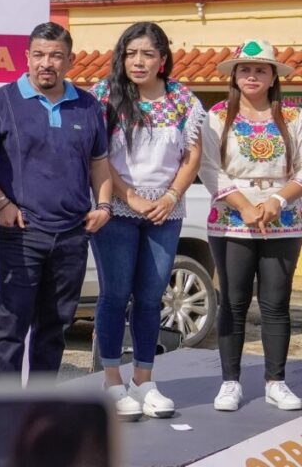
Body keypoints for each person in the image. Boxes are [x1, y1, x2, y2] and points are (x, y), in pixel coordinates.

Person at [0, 21, 112, 377]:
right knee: (9, 327)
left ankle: (40, 409)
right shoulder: (1, 102)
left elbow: (99, 162)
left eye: (55, 56)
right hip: (20, 233)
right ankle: (0, 412)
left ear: (69, 60)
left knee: (55, 327)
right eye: (38, 55)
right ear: (27, 57)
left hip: (72, 234)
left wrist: (103, 205)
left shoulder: (87, 105)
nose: (46, 63)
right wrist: (0, 203)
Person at [91, 22, 204, 419]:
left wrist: (171, 196)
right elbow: (97, 157)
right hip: (119, 211)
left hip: (166, 213)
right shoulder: (104, 96)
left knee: (151, 297)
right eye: (131, 53)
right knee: (114, 294)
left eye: (147, 54)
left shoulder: (183, 99)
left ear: (162, 59)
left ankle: (144, 380)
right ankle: (111, 381)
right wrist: (129, 197)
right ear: (122, 57)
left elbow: (191, 157)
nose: (138, 62)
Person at [200, 39, 302, 412]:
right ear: (235, 76)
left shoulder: (294, 117)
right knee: (234, 300)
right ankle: (230, 382)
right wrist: (244, 205)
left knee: (275, 303)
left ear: (274, 76)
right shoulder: (216, 116)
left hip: (284, 217)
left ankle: (276, 381)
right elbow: (208, 168)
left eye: (260, 69)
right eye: (245, 69)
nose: (253, 76)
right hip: (231, 218)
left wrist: (277, 201)